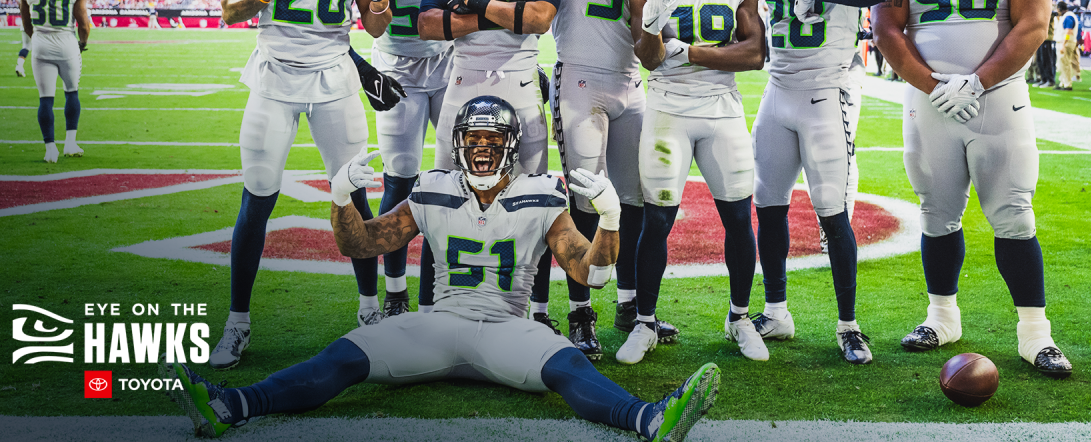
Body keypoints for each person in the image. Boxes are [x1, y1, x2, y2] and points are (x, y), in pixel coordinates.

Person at [163, 96, 721, 442]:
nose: (481, 150)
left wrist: (611, 219)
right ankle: (229, 405)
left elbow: (591, 272)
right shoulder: (432, 189)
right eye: (472, 141)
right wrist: (341, 198)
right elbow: (363, 244)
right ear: (457, 144)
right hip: (435, 322)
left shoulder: (539, 195)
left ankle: (649, 420)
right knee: (342, 355)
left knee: (569, 367)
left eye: (492, 141)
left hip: (508, 327)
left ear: (510, 146)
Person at [872, 0, 1072, 378]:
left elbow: (1032, 23)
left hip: (998, 97)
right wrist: (932, 84)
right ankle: (942, 317)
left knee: (1013, 215)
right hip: (929, 99)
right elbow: (887, 27)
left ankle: (1036, 334)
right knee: (936, 214)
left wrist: (977, 81)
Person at [212, 0, 405, 369]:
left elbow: (374, 27)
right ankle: (238, 323)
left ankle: (370, 309)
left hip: (335, 74)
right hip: (274, 74)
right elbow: (228, 10)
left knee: (354, 194)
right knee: (259, 195)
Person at [525, 0, 677, 359]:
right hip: (581, 77)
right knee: (587, 199)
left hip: (632, 83)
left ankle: (633, 304)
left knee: (634, 202)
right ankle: (581, 310)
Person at [619, 0, 767, 364]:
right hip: (668, 107)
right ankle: (644, 322)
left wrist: (690, 51)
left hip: (722, 108)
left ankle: (740, 317)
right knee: (657, 219)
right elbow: (648, 59)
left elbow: (755, 53)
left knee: (739, 219)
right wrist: (649, 33)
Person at [747, 0, 888, 364]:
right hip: (778, 90)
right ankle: (776, 310)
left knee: (832, 211)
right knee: (767, 204)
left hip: (826, 92)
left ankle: (848, 325)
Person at [417, 0, 563, 328]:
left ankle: (535, 314)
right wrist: (504, 11)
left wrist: (475, 5)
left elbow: (541, 18)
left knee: (533, 204)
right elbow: (428, 24)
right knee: (440, 201)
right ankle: (430, 311)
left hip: (520, 83)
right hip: (462, 80)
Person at [363, 0, 471, 317]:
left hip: (447, 63)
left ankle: (444, 286)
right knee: (400, 178)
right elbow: (369, 25)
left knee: (453, 177)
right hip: (396, 67)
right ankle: (394, 290)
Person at [18, 0, 92, 163]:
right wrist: (82, 43)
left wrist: (38, 37)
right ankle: (70, 142)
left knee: (45, 99)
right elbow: (84, 24)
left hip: (40, 42)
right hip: (66, 42)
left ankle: (50, 148)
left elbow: (26, 22)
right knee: (71, 92)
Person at [1055, 1, 1079, 90]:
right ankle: (1063, 82)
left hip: (1066, 42)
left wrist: (1063, 44)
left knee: (1065, 63)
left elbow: (1068, 31)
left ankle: (1067, 83)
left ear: (1059, 9)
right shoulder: (1068, 16)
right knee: (1062, 63)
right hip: (1066, 42)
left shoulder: (1068, 17)